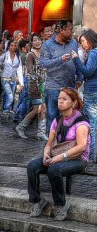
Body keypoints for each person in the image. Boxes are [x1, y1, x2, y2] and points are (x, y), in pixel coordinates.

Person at [27, 88, 90, 221]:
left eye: (64, 99)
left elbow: (81, 147)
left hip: (78, 159)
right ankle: (36, 200)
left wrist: (59, 158)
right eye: (60, 98)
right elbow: (49, 144)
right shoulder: (57, 120)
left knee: (54, 169)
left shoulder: (81, 121)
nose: (60, 101)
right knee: (32, 166)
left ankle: (61, 204)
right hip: (58, 155)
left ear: (73, 103)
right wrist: (46, 154)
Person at [41, 20, 82, 134]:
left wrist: (79, 78)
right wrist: (60, 59)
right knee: (53, 117)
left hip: (70, 87)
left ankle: (65, 144)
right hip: (53, 87)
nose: (72, 33)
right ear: (62, 30)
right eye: (70, 30)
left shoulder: (73, 43)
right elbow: (43, 63)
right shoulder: (47, 45)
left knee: (71, 118)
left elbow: (76, 60)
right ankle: (51, 145)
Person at [16, 33, 47, 140]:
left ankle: (40, 132)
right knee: (37, 109)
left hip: (44, 85)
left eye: (39, 39)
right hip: (34, 86)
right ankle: (22, 127)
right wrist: (39, 78)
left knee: (41, 108)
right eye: (35, 40)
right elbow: (29, 71)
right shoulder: (30, 55)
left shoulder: (43, 54)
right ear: (31, 43)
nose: (38, 42)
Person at [72, 29, 97, 161]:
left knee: (92, 126)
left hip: (92, 92)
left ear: (90, 40)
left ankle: (91, 157)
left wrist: (76, 60)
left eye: (83, 41)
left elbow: (88, 72)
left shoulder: (94, 53)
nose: (82, 45)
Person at [0, 39, 23, 115]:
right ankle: (6, 109)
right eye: (11, 45)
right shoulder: (4, 55)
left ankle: (7, 109)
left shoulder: (18, 56)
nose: (13, 47)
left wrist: (21, 82)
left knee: (8, 95)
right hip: (5, 79)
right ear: (8, 47)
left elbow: (19, 69)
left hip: (13, 79)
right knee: (10, 96)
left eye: (15, 45)